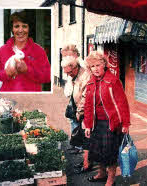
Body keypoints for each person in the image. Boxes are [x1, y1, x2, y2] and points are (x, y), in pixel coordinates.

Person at [83, 51, 130, 186]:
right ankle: (102, 173)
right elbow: (87, 105)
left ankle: (111, 178)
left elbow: (123, 103)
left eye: (98, 65)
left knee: (110, 152)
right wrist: (87, 124)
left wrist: (125, 123)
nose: (96, 69)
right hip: (96, 123)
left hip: (111, 122)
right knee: (97, 150)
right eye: (92, 66)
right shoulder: (91, 82)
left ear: (104, 64)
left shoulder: (113, 81)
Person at [0, 10, 51, 92]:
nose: (20, 30)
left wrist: (27, 70)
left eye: (24, 26)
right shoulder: (3, 49)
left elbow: (47, 76)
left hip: (31, 98)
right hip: (7, 98)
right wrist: (6, 73)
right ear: (12, 29)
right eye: (16, 26)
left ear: (29, 28)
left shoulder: (38, 50)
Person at [60, 45, 92, 174]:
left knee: (87, 137)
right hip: (79, 108)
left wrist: (80, 111)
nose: (67, 74)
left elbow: (85, 96)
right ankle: (87, 161)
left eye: (69, 72)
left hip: (86, 111)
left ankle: (87, 164)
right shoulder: (75, 73)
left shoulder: (85, 75)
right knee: (84, 137)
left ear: (75, 67)